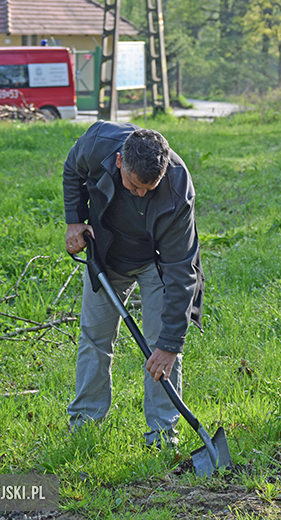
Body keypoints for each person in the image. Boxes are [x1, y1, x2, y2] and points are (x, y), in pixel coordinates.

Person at [63, 120, 204, 448]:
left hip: (157, 262)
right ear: (118, 163)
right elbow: (73, 168)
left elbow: (182, 272)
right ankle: (84, 423)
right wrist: (74, 220)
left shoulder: (177, 189)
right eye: (133, 185)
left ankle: (163, 434)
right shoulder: (99, 141)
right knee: (95, 337)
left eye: (148, 188)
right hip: (108, 255)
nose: (140, 193)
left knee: (161, 347)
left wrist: (170, 344)